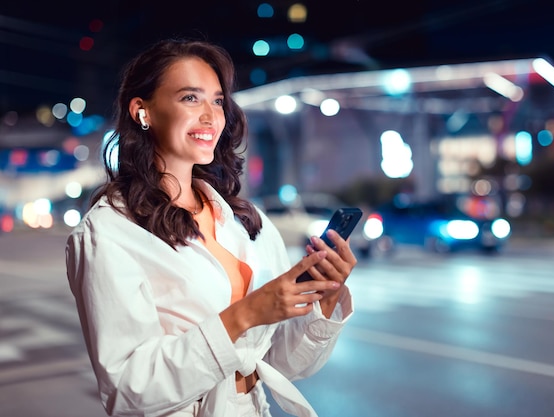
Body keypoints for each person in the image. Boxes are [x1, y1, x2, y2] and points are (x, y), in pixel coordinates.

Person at [65, 38, 356, 417]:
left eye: (218, 101)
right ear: (142, 111)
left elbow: (286, 363)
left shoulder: (245, 220)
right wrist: (246, 313)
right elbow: (128, 390)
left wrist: (324, 296)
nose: (211, 116)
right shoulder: (109, 232)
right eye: (190, 98)